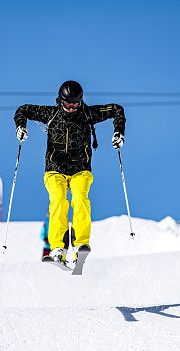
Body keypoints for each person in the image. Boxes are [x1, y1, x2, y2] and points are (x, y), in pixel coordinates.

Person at [15, 80, 125, 266]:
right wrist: (20, 126)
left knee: (80, 199)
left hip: (80, 169)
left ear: (80, 101)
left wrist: (118, 133)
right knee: (58, 201)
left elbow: (117, 110)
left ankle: (80, 244)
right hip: (54, 169)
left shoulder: (88, 113)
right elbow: (23, 109)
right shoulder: (51, 114)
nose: (72, 108)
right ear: (60, 101)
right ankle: (58, 248)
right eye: (68, 104)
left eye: (75, 103)